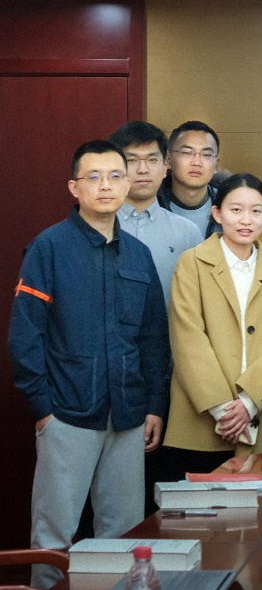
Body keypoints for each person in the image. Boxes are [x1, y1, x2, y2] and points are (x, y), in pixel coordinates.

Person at [9, 141, 169, 554]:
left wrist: (154, 404)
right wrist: (43, 409)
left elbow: (153, 338)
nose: (106, 186)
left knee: (125, 533)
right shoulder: (49, 247)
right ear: (74, 187)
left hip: (128, 414)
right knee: (54, 534)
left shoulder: (139, 255)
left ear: (127, 184)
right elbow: (26, 335)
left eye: (115, 176)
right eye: (93, 177)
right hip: (67, 411)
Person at [165, 174, 262, 473]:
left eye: (256, 211)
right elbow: (188, 338)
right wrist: (224, 410)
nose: (246, 220)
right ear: (217, 213)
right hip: (200, 420)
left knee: (257, 501)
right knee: (199, 502)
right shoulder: (192, 263)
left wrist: (248, 402)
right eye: (236, 209)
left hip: (258, 416)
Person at [108, 121, 204, 302]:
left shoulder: (187, 232)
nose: (143, 170)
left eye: (152, 160)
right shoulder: (98, 227)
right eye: (132, 160)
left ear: (166, 165)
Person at [158, 120, 222, 237]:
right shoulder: (152, 206)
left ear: (216, 165)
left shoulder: (228, 205)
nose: (197, 162)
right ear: (168, 159)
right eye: (186, 153)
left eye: (207, 155)